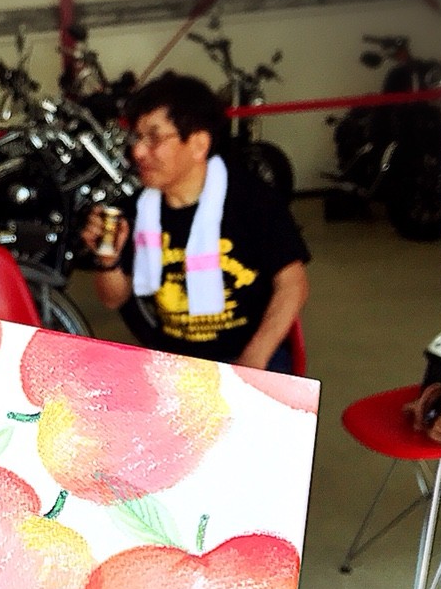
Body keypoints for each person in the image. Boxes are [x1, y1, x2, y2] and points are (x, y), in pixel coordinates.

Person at [81, 71, 310, 371]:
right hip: (174, 362)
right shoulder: (138, 210)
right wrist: (107, 259)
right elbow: (113, 299)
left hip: (251, 355)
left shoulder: (252, 200)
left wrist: (253, 359)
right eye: (137, 137)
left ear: (199, 144)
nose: (137, 151)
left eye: (154, 138)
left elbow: (292, 285)